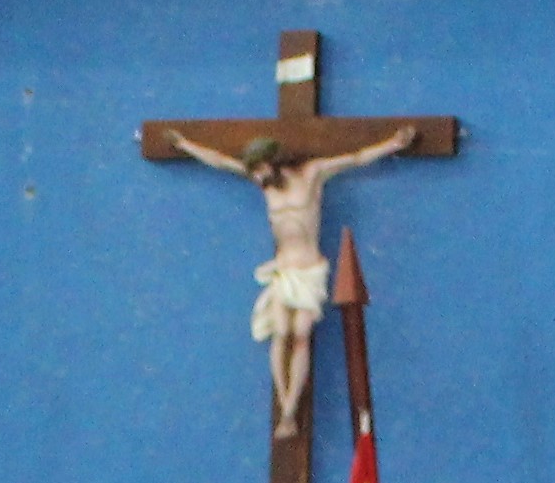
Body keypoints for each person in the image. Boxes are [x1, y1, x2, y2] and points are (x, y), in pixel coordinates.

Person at [164, 125, 416, 435]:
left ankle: (291, 407)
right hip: (283, 270)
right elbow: (220, 161)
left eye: (260, 168)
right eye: (253, 171)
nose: (257, 176)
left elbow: (356, 158)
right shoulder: (266, 188)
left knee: (300, 332)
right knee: (281, 332)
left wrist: (392, 143)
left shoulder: (312, 175)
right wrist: (185, 144)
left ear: (276, 161)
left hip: (309, 270)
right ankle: (285, 407)